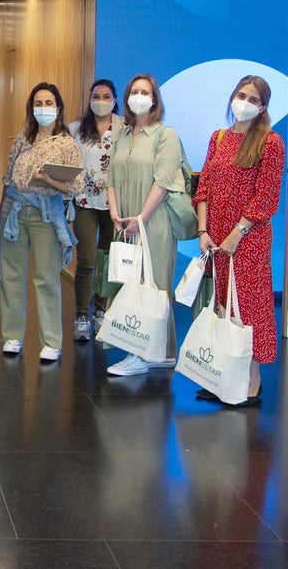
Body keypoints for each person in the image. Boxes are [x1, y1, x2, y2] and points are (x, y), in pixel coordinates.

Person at [194, 76, 285, 406]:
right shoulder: (217, 138)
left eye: (253, 98)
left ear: (263, 106)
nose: (244, 102)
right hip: (216, 238)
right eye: (241, 95)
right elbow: (203, 187)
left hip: (249, 239)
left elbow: (266, 197)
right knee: (224, 305)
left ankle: (252, 381)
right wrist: (204, 232)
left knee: (250, 307)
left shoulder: (270, 142)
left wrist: (238, 233)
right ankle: (224, 375)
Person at [0, 82, 84, 361]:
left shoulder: (67, 144)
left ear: (58, 108)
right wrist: (0, 215)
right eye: (38, 103)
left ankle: (51, 341)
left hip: (46, 213)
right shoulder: (23, 137)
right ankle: (12, 336)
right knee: (11, 275)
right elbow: (9, 175)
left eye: (48, 103)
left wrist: (48, 179)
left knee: (46, 277)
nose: (43, 108)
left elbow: (76, 186)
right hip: (14, 208)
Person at [105, 74, 184, 376]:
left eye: (145, 92)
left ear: (155, 99)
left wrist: (141, 218)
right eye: (134, 91)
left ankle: (146, 353)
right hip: (124, 222)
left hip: (153, 221)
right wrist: (115, 213)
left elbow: (163, 182)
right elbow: (111, 178)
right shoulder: (122, 134)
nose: (139, 96)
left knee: (155, 285)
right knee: (130, 285)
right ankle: (156, 351)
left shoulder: (166, 135)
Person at [68, 79, 124, 341]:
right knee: (88, 259)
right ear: (89, 99)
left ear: (114, 100)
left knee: (107, 259)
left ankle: (101, 312)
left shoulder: (125, 128)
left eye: (106, 96)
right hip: (84, 202)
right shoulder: (76, 129)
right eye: (96, 96)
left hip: (115, 204)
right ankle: (81, 315)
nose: (100, 101)